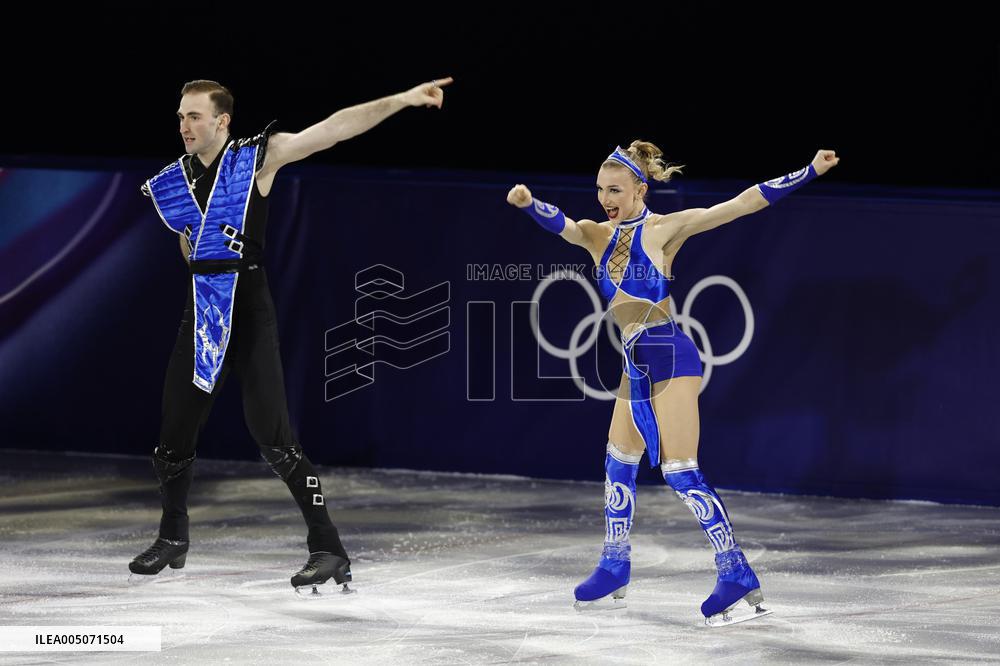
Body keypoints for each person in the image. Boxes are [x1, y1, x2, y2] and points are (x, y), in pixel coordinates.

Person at [132, 76, 453, 594]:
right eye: (180, 116)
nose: (184, 125)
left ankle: (328, 547)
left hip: (250, 308)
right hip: (203, 312)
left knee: (274, 439)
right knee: (173, 435)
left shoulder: (256, 159)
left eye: (194, 116)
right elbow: (190, 249)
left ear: (222, 121)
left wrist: (401, 99)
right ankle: (173, 537)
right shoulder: (173, 181)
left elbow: (333, 129)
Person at [507, 142, 839, 624]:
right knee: (618, 462)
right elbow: (565, 225)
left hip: (671, 357)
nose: (605, 198)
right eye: (600, 190)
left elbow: (742, 203)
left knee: (681, 470)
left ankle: (736, 571)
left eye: (615, 189)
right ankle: (614, 564)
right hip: (633, 365)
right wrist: (528, 204)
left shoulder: (665, 229)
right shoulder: (598, 235)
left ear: (640, 188)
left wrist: (808, 171)